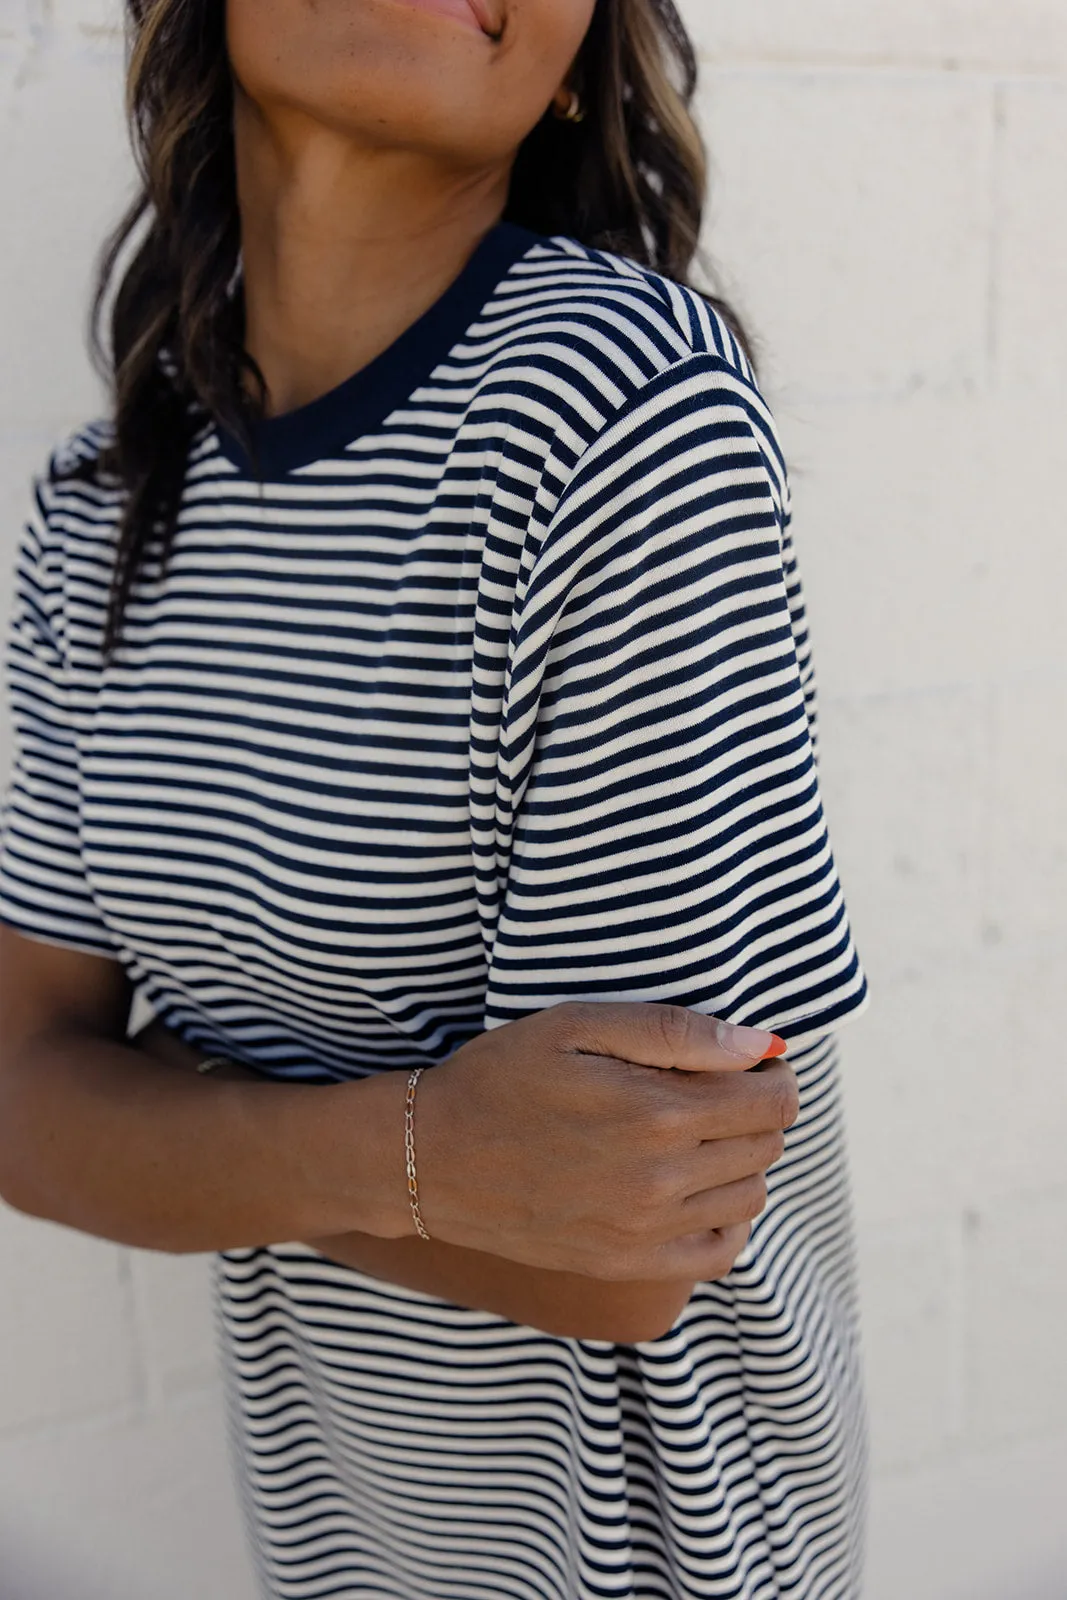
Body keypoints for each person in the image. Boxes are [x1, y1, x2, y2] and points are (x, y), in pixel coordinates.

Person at [0, 0, 870, 1595]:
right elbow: (12, 1098)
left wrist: (165, 1111)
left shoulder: (617, 413)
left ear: (573, 63)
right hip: (338, 1539)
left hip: (651, 1558)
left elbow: (624, 1246)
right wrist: (414, 1145)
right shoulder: (98, 508)